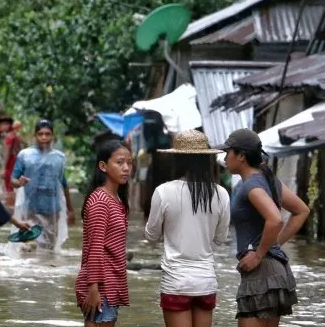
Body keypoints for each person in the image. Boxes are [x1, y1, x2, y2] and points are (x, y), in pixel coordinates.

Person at [216, 129, 309, 326]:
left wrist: (259, 254)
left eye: (228, 152)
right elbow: (301, 211)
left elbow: (275, 219)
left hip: (262, 271)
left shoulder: (251, 185)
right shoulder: (267, 178)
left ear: (241, 155)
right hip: (275, 269)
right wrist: (272, 246)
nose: (224, 158)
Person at [144, 130, 231, 327]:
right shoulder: (221, 194)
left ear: (178, 160)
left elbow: (151, 236)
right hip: (206, 281)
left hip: (176, 282)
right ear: (207, 160)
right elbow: (220, 239)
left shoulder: (163, 192)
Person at [75, 140, 132, 326]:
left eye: (129, 163)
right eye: (120, 162)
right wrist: (93, 289)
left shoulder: (116, 199)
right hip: (101, 287)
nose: (126, 168)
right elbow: (95, 248)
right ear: (103, 166)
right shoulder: (100, 201)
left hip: (110, 283)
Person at [11, 119, 75, 252]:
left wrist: (70, 209)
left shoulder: (59, 157)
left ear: (53, 136)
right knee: (28, 247)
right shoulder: (25, 155)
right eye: (40, 134)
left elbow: (63, 183)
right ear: (35, 135)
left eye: (47, 134)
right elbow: (13, 180)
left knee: (48, 249)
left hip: (52, 210)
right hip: (30, 209)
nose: (44, 137)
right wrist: (20, 183)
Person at [0, 116, 22, 201]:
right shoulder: (15, 136)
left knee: (8, 190)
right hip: (15, 166)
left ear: (9, 125)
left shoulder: (9, 137)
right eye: (1, 124)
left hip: (10, 167)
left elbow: (7, 153)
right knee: (11, 189)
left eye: (4, 124)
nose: (2, 126)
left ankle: (9, 211)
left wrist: (3, 168)